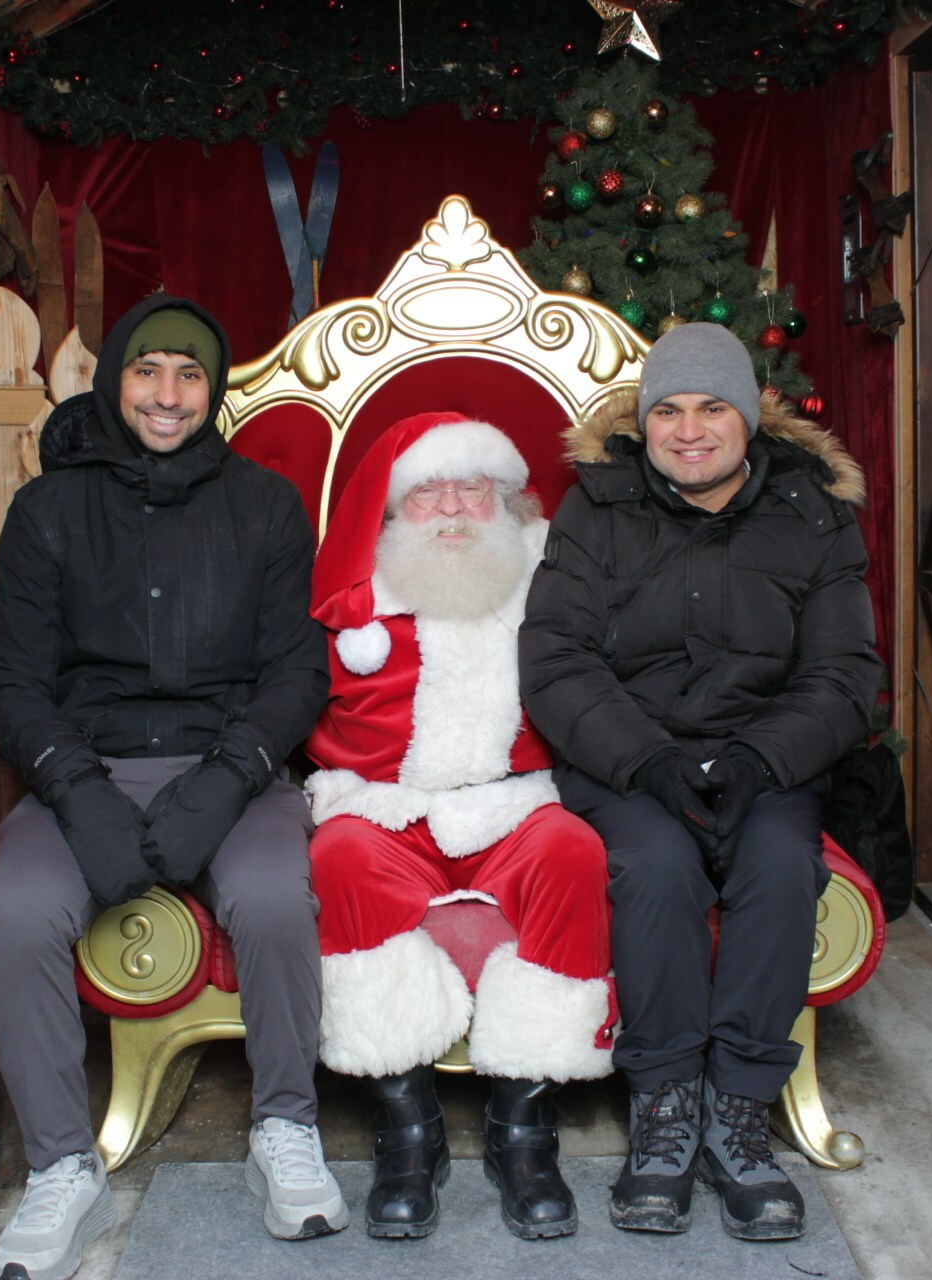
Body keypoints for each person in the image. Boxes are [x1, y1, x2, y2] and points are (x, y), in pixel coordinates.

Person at [0, 294, 347, 1277]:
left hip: (229, 766)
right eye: (148, 371)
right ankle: (63, 1166)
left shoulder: (265, 505)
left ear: (213, 388)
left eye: (190, 374)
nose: (168, 395)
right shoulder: (47, 511)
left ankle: (285, 1127)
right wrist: (76, 789)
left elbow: (296, 673)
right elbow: (11, 680)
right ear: (116, 381)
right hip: (84, 766)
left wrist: (227, 780)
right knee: (17, 911)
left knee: (273, 896)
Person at [520, 323, 881, 1243]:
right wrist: (648, 760)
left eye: (713, 408)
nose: (689, 431)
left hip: (769, 760)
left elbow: (844, 675)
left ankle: (740, 1111)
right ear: (643, 422)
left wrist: (761, 760)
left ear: (749, 417)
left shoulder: (813, 517)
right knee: (657, 868)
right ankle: (667, 1103)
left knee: (779, 866)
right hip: (631, 762)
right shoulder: (595, 509)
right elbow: (556, 661)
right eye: (668, 411)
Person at [302, 413, 614, 1241]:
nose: (449, 508)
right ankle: (410, 1129)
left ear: (504, 498)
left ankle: (524, 1127)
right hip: (386, 809)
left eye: (471, 488)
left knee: (575, 853)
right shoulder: (354, 592)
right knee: (338, 858)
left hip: (519, 805)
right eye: (427, 491)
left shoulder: (552, 574)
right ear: (393, 508)